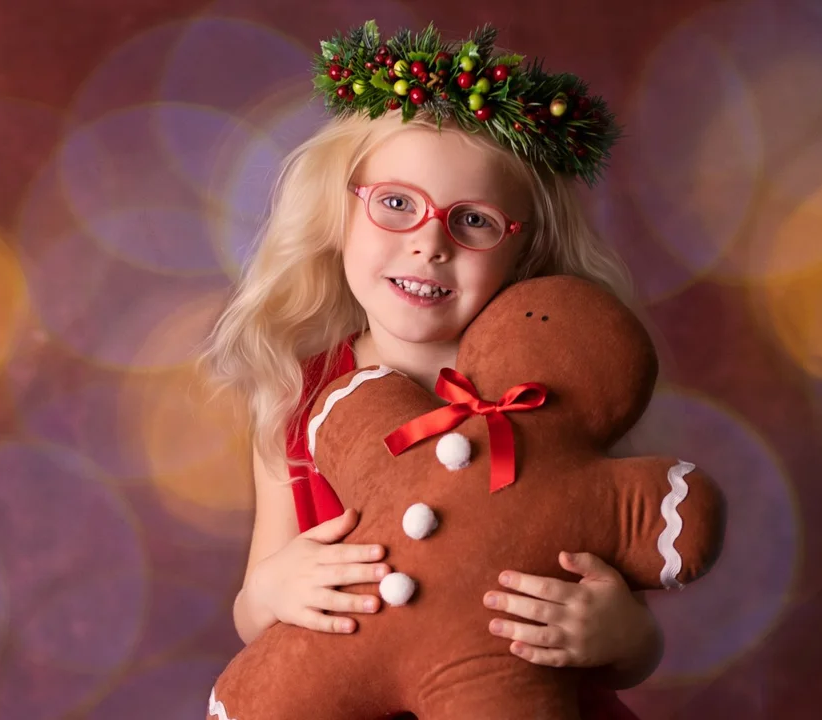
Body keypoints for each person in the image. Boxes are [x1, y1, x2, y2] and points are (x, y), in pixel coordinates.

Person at [202, 20, 659, 718]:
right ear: (340, 211)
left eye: (473, 221)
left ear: (525, 249)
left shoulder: (551, 393)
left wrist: (620, 635)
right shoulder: (300, 393)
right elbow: (253, 608)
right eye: (396, 204)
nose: (430, 244)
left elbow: (634, 636)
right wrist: (272, 590)